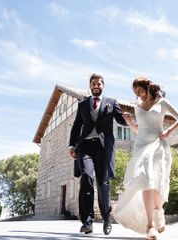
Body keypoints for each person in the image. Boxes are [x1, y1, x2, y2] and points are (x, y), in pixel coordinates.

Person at [113, 76, 178, 240]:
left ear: (147, 87)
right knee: (145, 179)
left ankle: (159, 213)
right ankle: (149, 226)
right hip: (142, 146)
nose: (139, 95)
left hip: (159, 145)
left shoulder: (162, 102)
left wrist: (169, 131)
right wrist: (129, 122)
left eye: (140, 91)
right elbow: (139, 130)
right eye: (136, 93)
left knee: (158, 185)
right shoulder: (137, 108)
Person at [69, 73, 127, 235]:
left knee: (103, 183)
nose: (96, 86)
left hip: (103, 147)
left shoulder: (111, 102)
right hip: (85, 145)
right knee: (86, 176)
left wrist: (132, 118)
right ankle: (87, 222)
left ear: (103, 86)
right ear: (90, 86)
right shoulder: (82, 105)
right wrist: (71, 145)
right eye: (93, 83)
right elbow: (76, 127)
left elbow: (121, 120)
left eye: (99, 83)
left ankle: (107, 219)